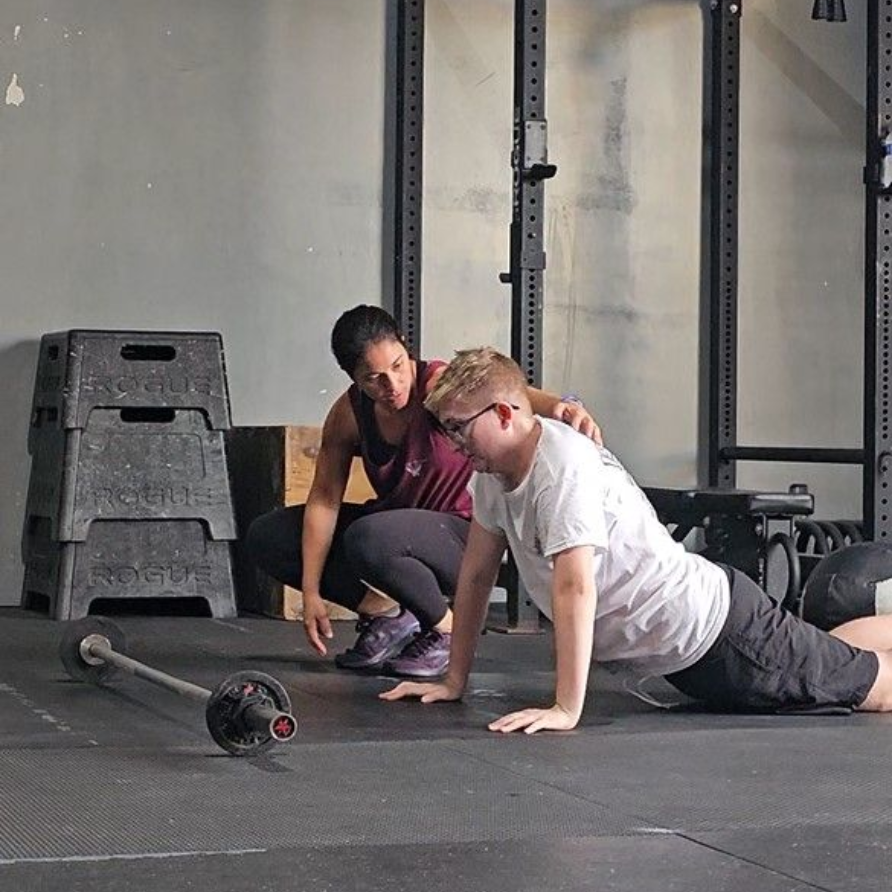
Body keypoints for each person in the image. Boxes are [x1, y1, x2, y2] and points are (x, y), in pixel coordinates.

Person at [381, 347, 892, 728]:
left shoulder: (560, 471)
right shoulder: (492, 473)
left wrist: (565, 708)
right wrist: (454, 679)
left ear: (505, 415)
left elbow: (575, 588)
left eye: (458, 428)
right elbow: (475, 575)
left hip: (719, 637)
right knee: (832, 660)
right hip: (691, 648)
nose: (451, 442)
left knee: (874, 688)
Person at [245, 307, 601, 679]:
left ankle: (446, 629)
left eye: (398, 366)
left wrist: (565, 406)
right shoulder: (349, 414)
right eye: (374, 379)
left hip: (462, 538)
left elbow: (507, 393)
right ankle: (388, 613)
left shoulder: (436, 385)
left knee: (370, 537)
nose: (393, 385)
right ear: (353, 379)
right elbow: (324, 499)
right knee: (269, 535)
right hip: (393, 538)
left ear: (405, 345)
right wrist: (311, 591)